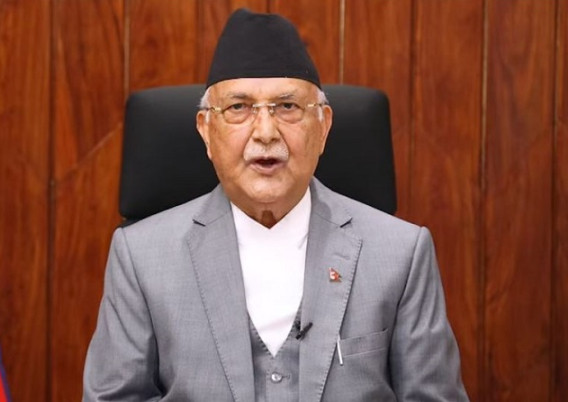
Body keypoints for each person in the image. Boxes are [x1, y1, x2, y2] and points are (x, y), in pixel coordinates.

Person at [83, 8, 468, 402]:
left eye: (287, 107)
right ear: (206, 130)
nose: (266, 133)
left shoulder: (401, 254)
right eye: (238, 108)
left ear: (323, 127)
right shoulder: (142, 257)